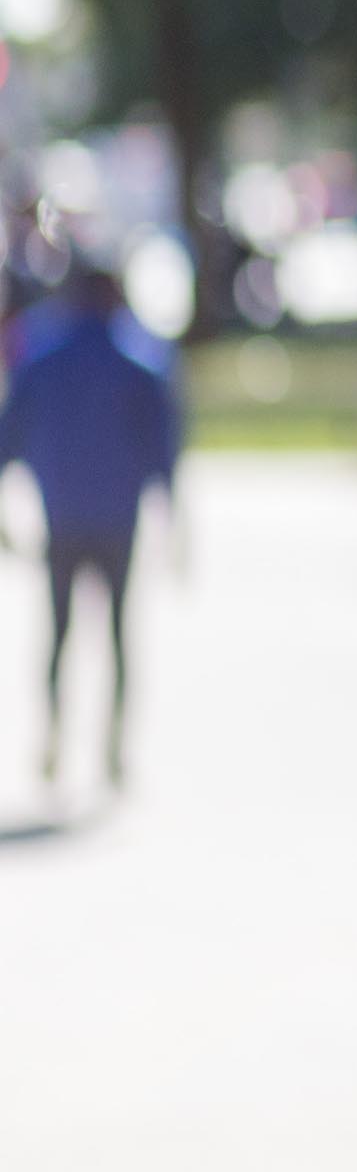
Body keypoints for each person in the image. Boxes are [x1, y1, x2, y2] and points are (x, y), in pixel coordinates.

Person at [0, 267, 183, 790]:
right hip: (116, 518)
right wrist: (172, 515)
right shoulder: (139, 359)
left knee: (59, 636)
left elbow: (7, 436)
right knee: (118, 636)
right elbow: (163, 446)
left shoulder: (40, 356)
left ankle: (58, 734)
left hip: (62, 515)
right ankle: (113, 747)